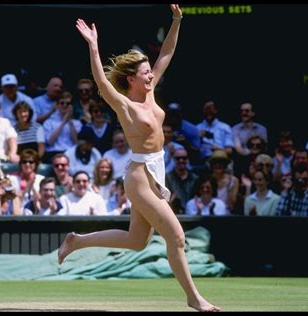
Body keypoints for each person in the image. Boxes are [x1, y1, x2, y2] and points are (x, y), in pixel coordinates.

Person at [58, 6, 220, 312]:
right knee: (176, 235)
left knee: (136, 241)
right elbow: (102, 83)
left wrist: (177, 21)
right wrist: (93, 46)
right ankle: (193, 297)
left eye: (150, 72)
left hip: (157, 170)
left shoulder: (150, 91)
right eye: (145, 73)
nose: (151, 75)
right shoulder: (126, 106)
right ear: (132, 78)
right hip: (139, 175)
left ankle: (76, 241)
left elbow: (167, 54)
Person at [43, 91, 83, 163]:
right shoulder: (49, 122)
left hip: (71, 153)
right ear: (57, 105)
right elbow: (50, 141)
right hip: (53, 153)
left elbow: (76, 142)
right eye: (62, 103)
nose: (65, 105)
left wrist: (69, 121)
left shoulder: (77, 123)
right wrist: (64, 122)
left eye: (68, 103)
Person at [165, 148, 198, 214]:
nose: (181, 160)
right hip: (173, 213)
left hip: (191, 214)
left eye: (184, 158)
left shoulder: (195, 178)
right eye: (178, 158)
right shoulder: (167, 178)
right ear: (174, 159)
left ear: (188, 159)